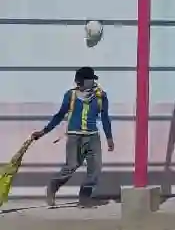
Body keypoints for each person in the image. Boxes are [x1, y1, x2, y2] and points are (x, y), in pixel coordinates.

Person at [31, 67, 114, 207]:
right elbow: (59, 115)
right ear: (80, 81)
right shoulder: (71, 95)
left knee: (95, 168)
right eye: (90, 79)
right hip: (75, 137)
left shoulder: (101, 96)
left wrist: (109, 138)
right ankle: (52, 187)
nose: (92, 82)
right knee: (71, 166)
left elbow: (105, 117)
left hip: (92, 137)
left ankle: (84, 198)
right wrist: (44, 131)